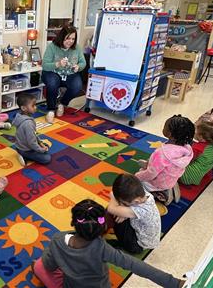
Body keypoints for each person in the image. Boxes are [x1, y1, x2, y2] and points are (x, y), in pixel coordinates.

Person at [32, 199, 184, 288]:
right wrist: (174, 283)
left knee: (39, 265)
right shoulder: (102, 248)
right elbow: (136, 266)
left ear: (74, 222)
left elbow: (49, 266)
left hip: (71, 284)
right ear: (103, 226)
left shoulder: (58, 239)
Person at [135, 115, 194, 205]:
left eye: (165, 126)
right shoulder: (188, 149)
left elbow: (151, 173)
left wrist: (138, 176)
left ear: (170, 134)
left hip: (157, 183)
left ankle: (157, 194)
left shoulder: (162, 153)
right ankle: (169, 188)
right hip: (171, 180)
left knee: (137, 182)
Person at [42, 24, 86, 123]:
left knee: (77, 86)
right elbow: (45, 65)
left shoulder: (77, 48)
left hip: (69, 74)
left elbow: (83, 63)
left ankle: (62, 103)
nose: (70, 41)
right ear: (62, 37)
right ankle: (51, 109)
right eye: (68, 38)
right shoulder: (52, 47)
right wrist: (57, 64)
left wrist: (78, 67)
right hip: (52, 73)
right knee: (52, 84)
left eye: (73, 39)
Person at [106, 174, 161, 254]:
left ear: (136, 201)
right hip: (147, 238)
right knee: (119, 212)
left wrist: (114, 197)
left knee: (115, 214)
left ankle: (122, 244)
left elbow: (111, 209)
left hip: (137, 245)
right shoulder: (145, 195)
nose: (122, 203)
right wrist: (123, 211)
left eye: (124, 202)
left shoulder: (142, 210)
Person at [13, 93, 51, 166]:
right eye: (33, 106)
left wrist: (40, 143)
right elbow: (31, 142)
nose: (35, 107)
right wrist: (41, 150)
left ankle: (22, 152)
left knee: (45, 146)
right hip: (25, 149)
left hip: (20, 145)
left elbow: (33, 135)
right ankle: (23, 155)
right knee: (47, 158)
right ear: (24, 108)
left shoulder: (20, 116)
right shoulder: (28, 123)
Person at [179, 121, 213, 186]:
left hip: (187, 177)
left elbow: (187, 161)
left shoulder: (197, 147)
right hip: (198, 175)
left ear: (201, 137)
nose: (194, 132)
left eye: (196, 131)